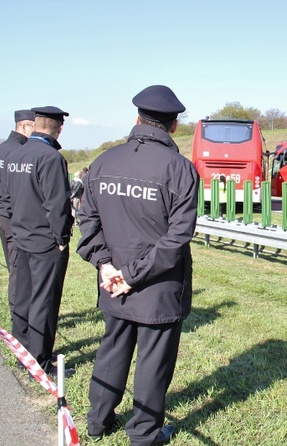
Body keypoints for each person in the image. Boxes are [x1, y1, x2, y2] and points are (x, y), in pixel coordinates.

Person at [77, 85, 199, 445]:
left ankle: (98, 421)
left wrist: (104, 265)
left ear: (137, 119)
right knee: (153, 363)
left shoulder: (104, 161)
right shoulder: (180, 169)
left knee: (112, 349)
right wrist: (127, 273)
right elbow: (177, 239)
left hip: (113, 281)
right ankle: (144, 434)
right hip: (157, 288)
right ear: (174, 126)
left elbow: (87, 221)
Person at [4, 106, 75, 378]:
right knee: (44, 302)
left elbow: (8, 197)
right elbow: (57, 204)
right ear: (59, 127)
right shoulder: (51, 158)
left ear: (34, 125)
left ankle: (21, 351)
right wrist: (62, 238)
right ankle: (40, 361)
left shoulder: (15, 154)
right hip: (45, 241)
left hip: (20, 236)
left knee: (22, 297)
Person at [0, 109, 35, 333]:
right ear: (25, 126)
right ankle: (20, 321)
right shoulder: (18, 151)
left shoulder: (2, 148)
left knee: (14, 268)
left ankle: (18, 315)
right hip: (14, 216)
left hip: (2, 212)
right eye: (33, 127)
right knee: (19, 271)